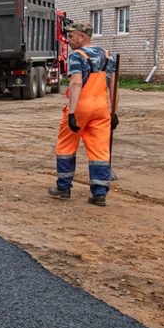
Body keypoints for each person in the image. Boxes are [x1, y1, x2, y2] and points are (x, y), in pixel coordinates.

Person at [49, 21, 115, 206]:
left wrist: (71, 113)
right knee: (100, 150)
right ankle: (100, 193)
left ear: (82, 37)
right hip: (102, 108)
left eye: (71, 37)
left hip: (81, 106)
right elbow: (113, 87)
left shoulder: (77, 56)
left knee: (66, 146)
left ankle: (64, 187)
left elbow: (76, 83)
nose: (68, 40)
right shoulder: (108, 56)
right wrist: (114, 113)